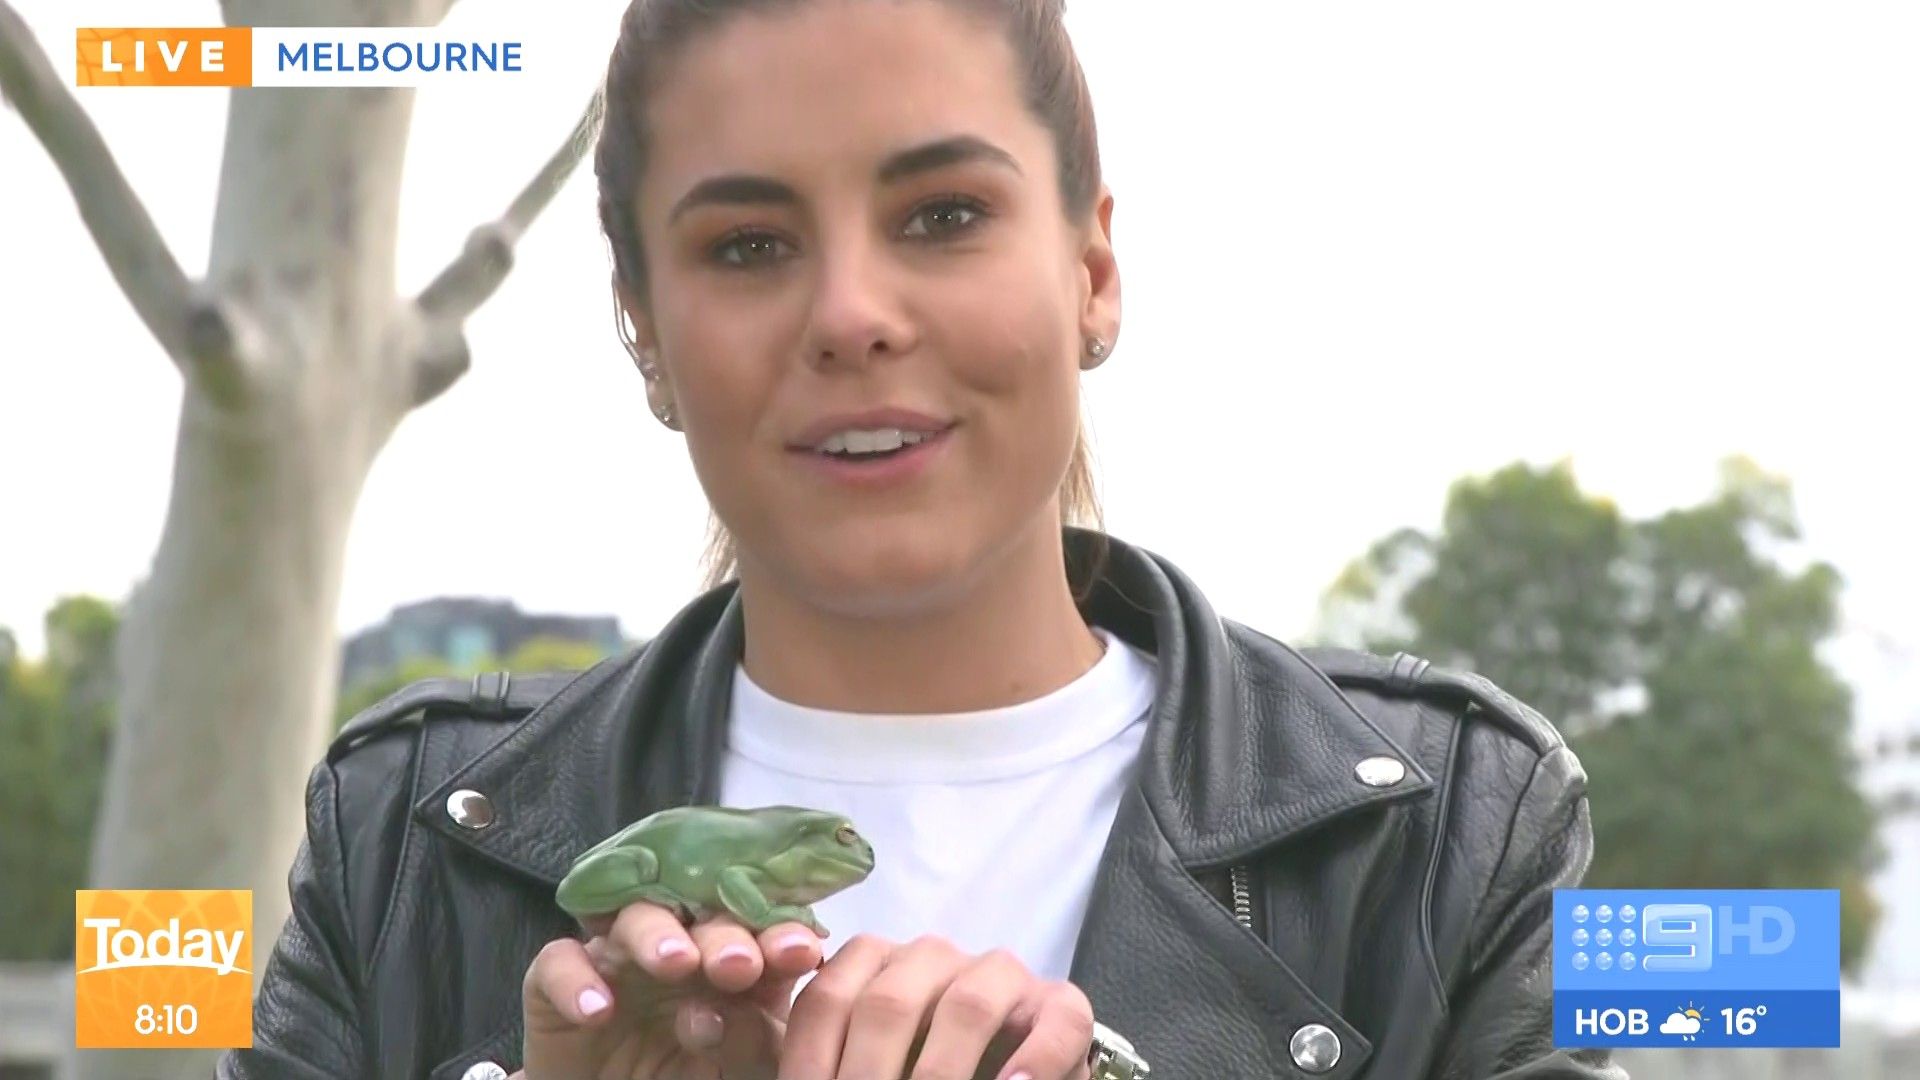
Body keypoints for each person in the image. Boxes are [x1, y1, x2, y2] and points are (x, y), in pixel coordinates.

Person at [223, 1, 1628, 1077]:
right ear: (641, 330)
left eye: (944, 215)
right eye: (748, 244)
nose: (852, 314)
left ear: (1092, 270)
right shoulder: (400, 839)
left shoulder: (1458, 830)